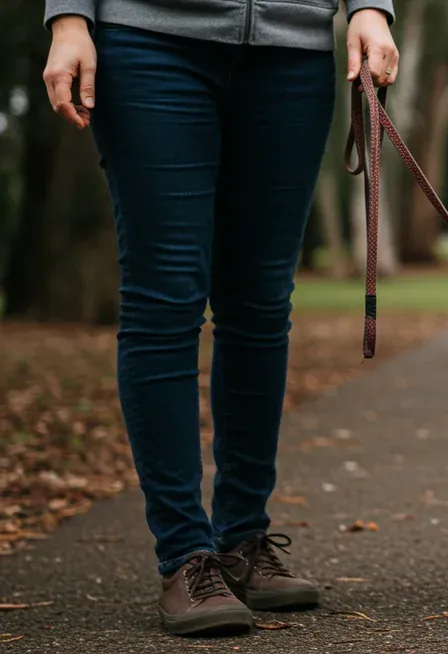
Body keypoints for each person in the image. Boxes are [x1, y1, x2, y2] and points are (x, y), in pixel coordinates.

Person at [41, 0, 398, 637]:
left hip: (292, 50)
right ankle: (185, 554)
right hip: (150, 39)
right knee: (164, 299)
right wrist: (69, 18)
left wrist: (372, 8)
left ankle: (243, 541)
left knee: (261, 303)